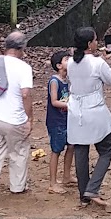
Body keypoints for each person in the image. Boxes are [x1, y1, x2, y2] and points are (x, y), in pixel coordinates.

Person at [66, 25, 111, 210]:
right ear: (90, 44)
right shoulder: (97, 64)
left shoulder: (71, 63)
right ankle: (93, 188)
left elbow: (88, 67)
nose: (98, 42)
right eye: (95, 40)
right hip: (95, 111)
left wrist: (103, 59)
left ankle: (84, 195)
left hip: (76, 111)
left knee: (81, 152)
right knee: (106, 150)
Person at [0, 30, 35, 202]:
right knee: (18, 151)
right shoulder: (24, 68)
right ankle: (17, 186)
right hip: (15, 119)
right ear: (22, 48)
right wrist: (29, 118)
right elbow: (25, 94)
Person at [46, 50, 75, 193]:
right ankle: (52, 183)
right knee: (56, 150)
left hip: (67, 120)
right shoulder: (54, 81)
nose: (69, 61)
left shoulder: (67, 80)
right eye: (66, 59)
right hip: (56, 121)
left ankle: (66, 176)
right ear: (58, 65)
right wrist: (71, 105)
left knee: (71, 146)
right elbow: (54, 101)